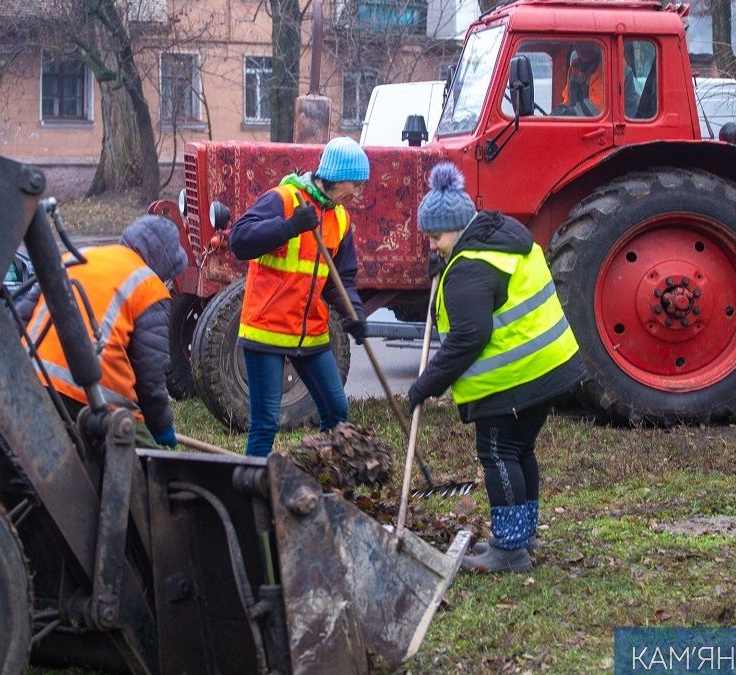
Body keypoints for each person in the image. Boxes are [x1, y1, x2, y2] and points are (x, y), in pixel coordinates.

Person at [407, 162, 584, 573]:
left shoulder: (469, 267)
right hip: (549, 366)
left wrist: (426, 385)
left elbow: (469, 337)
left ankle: (509, 549)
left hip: (515, 376)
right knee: (520, 449)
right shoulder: (498, 243)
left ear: (457, 227)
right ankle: (523, 533)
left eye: (435, 237)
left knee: (498, 451)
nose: (432, 246)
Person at [229, 136, 370, 458]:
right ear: (337, 178)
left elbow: (340, 278)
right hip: (267, 329)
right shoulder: (284, 199)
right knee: (265, 423)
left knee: (337, 413)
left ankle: (326, 476)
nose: (359, 194)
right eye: (357, 185)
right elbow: (239, 241)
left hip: (311, 334)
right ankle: (252, 493)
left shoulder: (340, 219)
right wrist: (290, 226)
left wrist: (355, 312)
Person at [22, 215, 187, 449]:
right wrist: (160, 426)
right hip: (94, 396)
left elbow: (20, 316)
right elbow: (150, 374)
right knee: (152, 470)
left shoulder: (75, 257)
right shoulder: (149, 287)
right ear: (164, 261)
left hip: (33, 378)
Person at [559, 45, 604, 116]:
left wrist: (566, 114)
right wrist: (557, 113)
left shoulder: (608, 65)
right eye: (578, 44)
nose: (583, 48)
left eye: (588, 43)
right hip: (583, 123)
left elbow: (597, 108)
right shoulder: (575, 67)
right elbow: (567, 100)